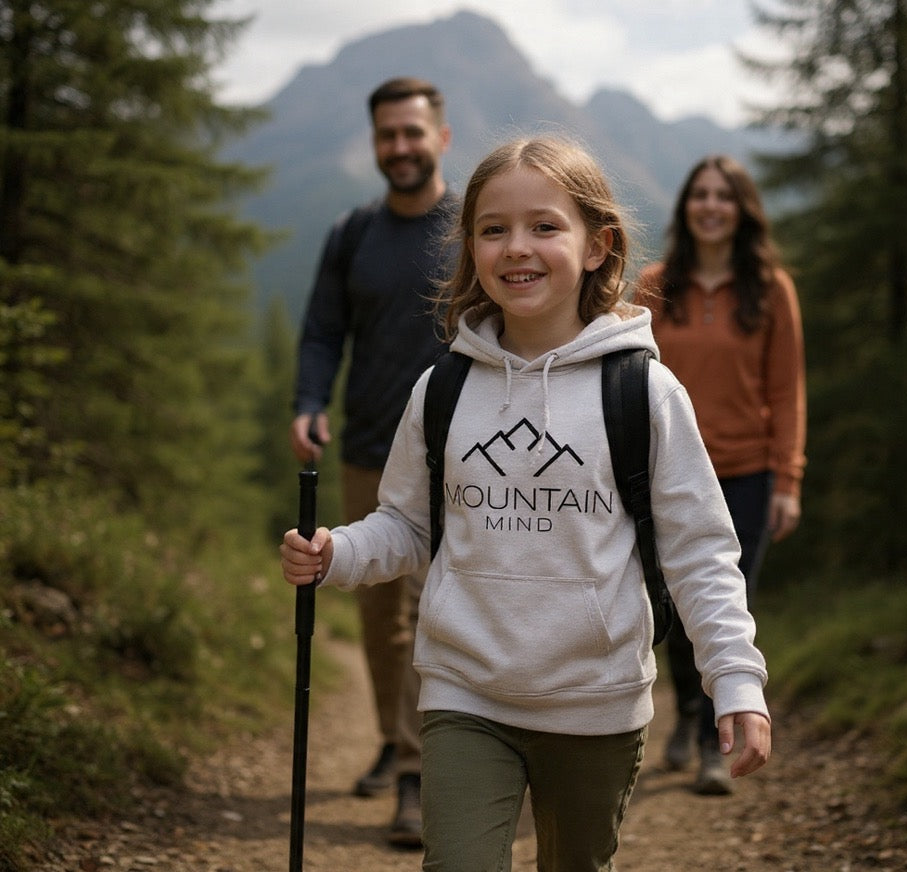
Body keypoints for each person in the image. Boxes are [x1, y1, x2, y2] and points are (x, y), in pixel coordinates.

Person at [281, 136, 772, 871]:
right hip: (463, 693)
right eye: (493, 228)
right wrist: (339, 553)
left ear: (599, 245)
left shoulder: (642, 392)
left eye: (545, 226)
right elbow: (408, 524)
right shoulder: (443, 389)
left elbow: (699, 549)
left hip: (595, 702)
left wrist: (735, 676)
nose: (518, 248)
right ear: (470, 247)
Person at [289, 76, 459, 847]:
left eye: (412, 133)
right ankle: (395, 743)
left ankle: (419, 778)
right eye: (388, 135)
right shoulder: (352, 233)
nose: (400, 148)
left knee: (427, 614)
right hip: (366, 450)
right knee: (379, 618)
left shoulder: (474, 228)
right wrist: (309, 398)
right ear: (376, 144)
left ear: (441, 138)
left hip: (460, 454)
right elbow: (323, 330)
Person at [634, 154, 805, 795]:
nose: (710, 205)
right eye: (699, 194)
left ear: (741, 209)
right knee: (673, 606)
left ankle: (711, 741)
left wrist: (788, 481)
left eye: (723, 196)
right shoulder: (655, 284)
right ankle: (683, 717)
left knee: (728, 602)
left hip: (749, 473)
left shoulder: (771, 289)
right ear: (686, 208)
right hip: (667, 474)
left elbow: (787, 393)